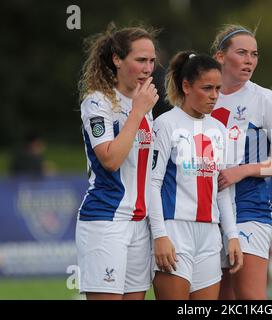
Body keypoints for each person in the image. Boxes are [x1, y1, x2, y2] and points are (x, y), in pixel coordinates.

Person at [210, 25, 272, 300]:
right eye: (242, 53)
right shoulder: (200, 96)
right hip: (205, 213)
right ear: (220, 57)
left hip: (250, 209)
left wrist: (246, 170)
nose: (249, 60)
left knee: (250, 299)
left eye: (254, 54)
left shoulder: (265, 100)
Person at [149, 51, 243, 300]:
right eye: (207, 88)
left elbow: (221, 188)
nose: (214, 96)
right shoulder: (166, 124)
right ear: (187, 86)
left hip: (209, 236)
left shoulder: (220, 130)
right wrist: (160, 235)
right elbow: (152, 183)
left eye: (218, 88)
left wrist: (231, 235)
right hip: (174, 230)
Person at [76, 23, 159, 300]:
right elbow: (110, 160)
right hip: (106, 220)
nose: (148, 68)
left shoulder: (145, 106)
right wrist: (137, 112)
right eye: (140, 60)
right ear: (117, 59)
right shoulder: (98, 102)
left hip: (140, 224)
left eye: (151, 61)